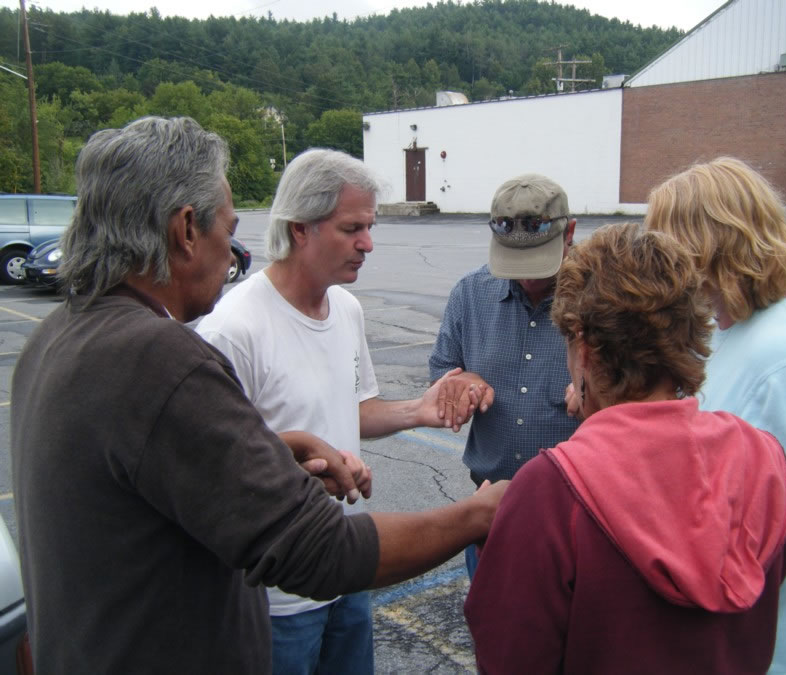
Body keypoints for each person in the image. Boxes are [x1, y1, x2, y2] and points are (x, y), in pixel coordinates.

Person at [10, 116, 507, 674]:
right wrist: (477, 515)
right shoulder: (159, 357)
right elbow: (318, 551)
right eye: (228, 228)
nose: (234, 252)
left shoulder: (58, 338)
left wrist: (275, 452)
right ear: (186, 229)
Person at [464, 222, 786, 674]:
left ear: (583, 348)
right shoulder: (764, 458)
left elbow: (510, 656)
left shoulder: (551, 490)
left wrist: (498, 543)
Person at [196, 148, 474, 675]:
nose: (367, 244)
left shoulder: (345, 309)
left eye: (369, 227)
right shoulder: (232, 330)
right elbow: (221, 475)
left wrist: (420, 409)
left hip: (345, 571)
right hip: (277, 597)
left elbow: (356, 408)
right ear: (300, 228)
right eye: (352, 228)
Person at [644, 156, 786, 675]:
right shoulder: (734, 326)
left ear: (707, 247)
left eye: (668, 252)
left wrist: (692, 507)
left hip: (777, 655)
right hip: (732, 639)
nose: (663, 271)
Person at [428, 174, 580, 576]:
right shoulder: (471, 293)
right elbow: (442, 372)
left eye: (539, 263)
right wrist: (461, 382)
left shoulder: (605, 296)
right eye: (516, 262)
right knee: (493, 635)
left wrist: (601, 394)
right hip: (489, 517)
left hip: (578, 522)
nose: (528, 277)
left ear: (571, 234)